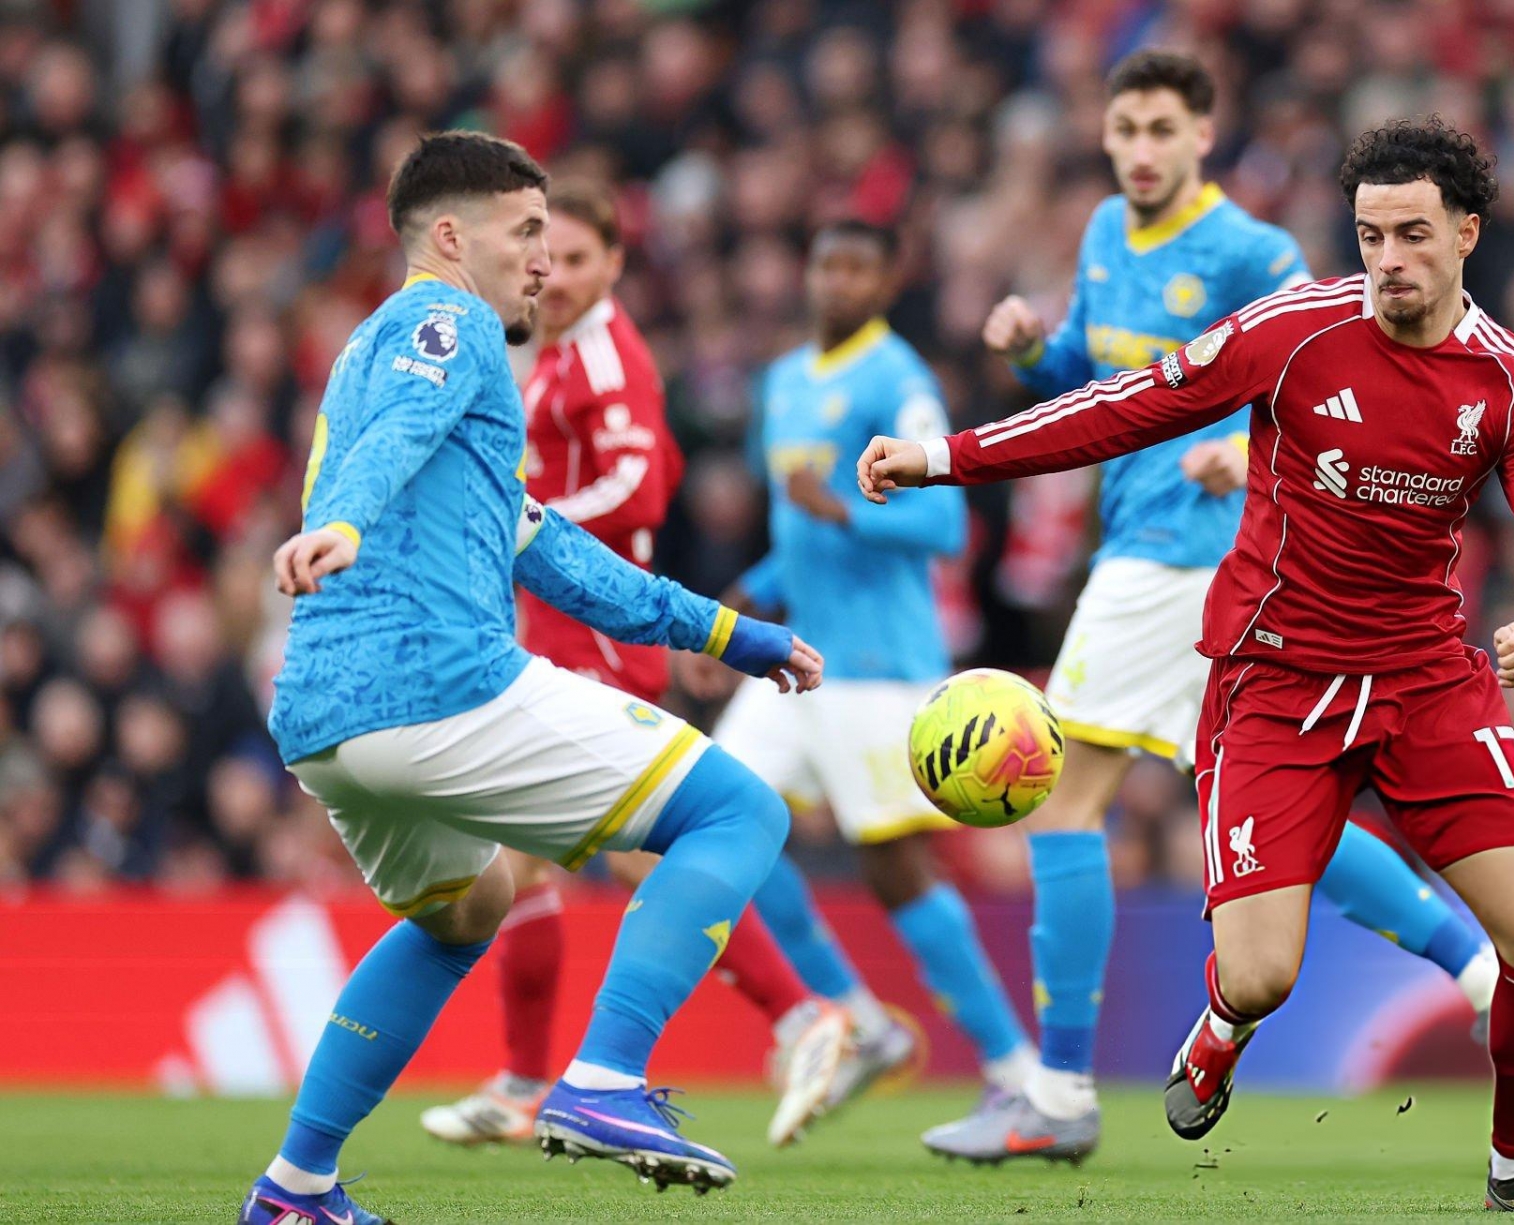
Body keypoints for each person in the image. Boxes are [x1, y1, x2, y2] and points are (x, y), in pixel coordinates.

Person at [859, 117, 1514, 1214]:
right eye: (1371, 235)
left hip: (1426, 683)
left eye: (1413, 234)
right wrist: (945, 459)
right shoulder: (1296, 332)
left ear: (1468, 233)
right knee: (1263, 973)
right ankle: (1222, 1031)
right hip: (1275, 682)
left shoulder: (1510, 383)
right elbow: (1123, 410)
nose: (1390, 260)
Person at [239, 132, 822, 1225]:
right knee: (737, 809)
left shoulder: (375, 352)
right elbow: (398, 440)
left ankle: (295, 1187)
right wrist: (345, 523)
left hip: (324, 720)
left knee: (472, 909)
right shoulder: (447, 323)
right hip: (434, 683)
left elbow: (550, 549)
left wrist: (730, 633)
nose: (543, 262)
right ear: (452, 238)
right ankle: (603, 1079)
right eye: (526, 235)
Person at [926, 51, 1495, 1164]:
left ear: (1201, 137)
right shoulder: (1101, 235)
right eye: (1124, 128)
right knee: (1283, 824)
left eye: (1160, 129)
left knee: (1062, 800)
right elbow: (1103, 382)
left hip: (1185, 560)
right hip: (1168, 560)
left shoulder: (1254, 253)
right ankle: (1476, 968)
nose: (1139, 149)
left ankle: (1059, 1090)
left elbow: (1323, 381)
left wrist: (1244, 460)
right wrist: (1034, 349)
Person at [417, 180, 850, 1153]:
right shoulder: (552, 355)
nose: (557, 277)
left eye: (577, 260)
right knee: (531, 852)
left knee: (630, 847)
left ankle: (799, 1016)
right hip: (550, 629)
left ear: (614, 263)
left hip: (599, 639)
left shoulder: (609, 357)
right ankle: (534, 1075)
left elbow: (640, 480)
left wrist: (524, 518)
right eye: (547, 258)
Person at [684, 218, 1040, 1130]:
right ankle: (863, 1020)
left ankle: (1015, 1067)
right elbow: (793, 537)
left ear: (884, 283)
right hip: (798, 658)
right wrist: (734, 605)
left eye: (857, 267)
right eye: (826, 263)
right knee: (713, 824)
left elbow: (945, 528)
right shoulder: (784, 381)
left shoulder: (898, 380)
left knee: (895, 868)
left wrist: (842, 508)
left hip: (878, 667)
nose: (836, 281)